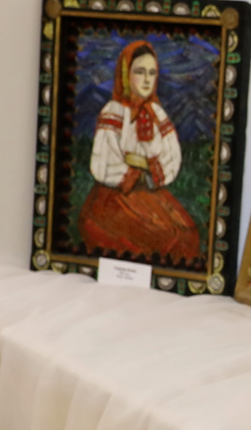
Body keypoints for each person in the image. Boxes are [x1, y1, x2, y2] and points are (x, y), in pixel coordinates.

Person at [78, 40, 200, 264]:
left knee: (185, 233)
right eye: (140, 72)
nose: (146, 79)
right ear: (125, 74)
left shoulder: (157, 113)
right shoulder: (114, 111)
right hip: (116, 194)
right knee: (156, 236)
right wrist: (133, 172)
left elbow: (171, 154)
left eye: (152, 73)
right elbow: (103, 161)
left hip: (149, 189)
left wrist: (148, 169)